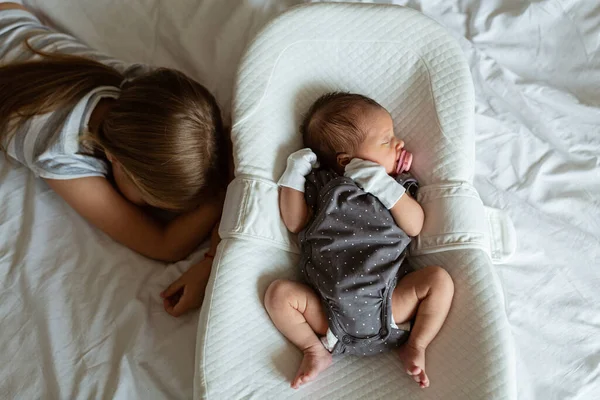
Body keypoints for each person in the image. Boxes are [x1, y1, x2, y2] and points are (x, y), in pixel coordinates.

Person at [0, 2, 228, 316]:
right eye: (149, 201)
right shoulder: (55, 149)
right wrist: (221, 197)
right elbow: (163, 245)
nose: (148, 209)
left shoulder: (140, 89)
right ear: (114, 159)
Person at [264, 92, 455, 389]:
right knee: (278, 295)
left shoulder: (395, 186)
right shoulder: (324, 186)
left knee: (439, 280)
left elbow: (415, 225)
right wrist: (295, 173)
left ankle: (416, 344)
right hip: (329, 315)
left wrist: (381, 183)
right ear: (346, 160)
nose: (399, 143)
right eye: (386, 140)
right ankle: (313, 350)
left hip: (390, 301)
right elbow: (294, 221)